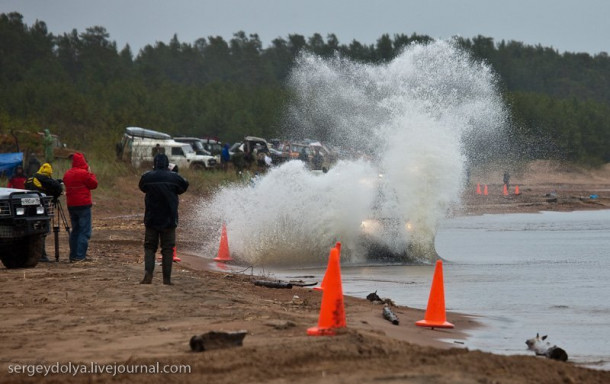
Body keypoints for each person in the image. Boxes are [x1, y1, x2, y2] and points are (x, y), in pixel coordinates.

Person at [139, 153, 189, 285]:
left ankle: (148, 275)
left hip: (151, 218)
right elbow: (184, 186)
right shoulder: (174, 177)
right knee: (168, 248)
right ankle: (167, 279)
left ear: (154, 163)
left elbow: (142, 187)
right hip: (169, 218)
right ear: (167, 164)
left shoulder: (147, 176)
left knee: (150, 247)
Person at [25, 163, 63, 262]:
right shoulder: (43, 178)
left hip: (28, 210)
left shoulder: (32, 178)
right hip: (41, 208)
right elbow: (57, 188)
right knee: (42, 230)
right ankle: (41, 255)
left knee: (34, 231)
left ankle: (33, 255)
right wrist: (57, 186)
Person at [63, 153, 98, 262]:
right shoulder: (84, 173)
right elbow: (94, 184)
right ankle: (80, 256)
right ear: (83, 161)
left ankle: (73, 255)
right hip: (83, 205)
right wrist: (90, 172)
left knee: (76, 230)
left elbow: (65, 182)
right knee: (84, 231)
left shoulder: (67, 174)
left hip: (71, 205)